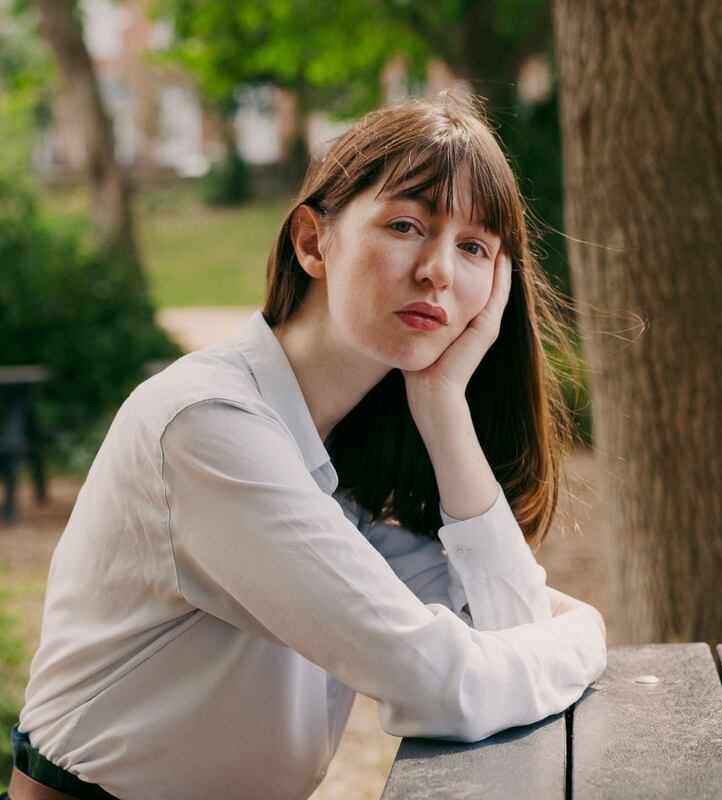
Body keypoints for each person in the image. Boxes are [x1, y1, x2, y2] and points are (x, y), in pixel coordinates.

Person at [3, 88, 607, 800]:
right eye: (408, 225)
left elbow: (508, 623)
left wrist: (444, 408)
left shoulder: (333, 451)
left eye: (474, 247)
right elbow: (443, 684)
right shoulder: (208, 428)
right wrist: (591, 631)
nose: (439, 270)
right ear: (312, 241)